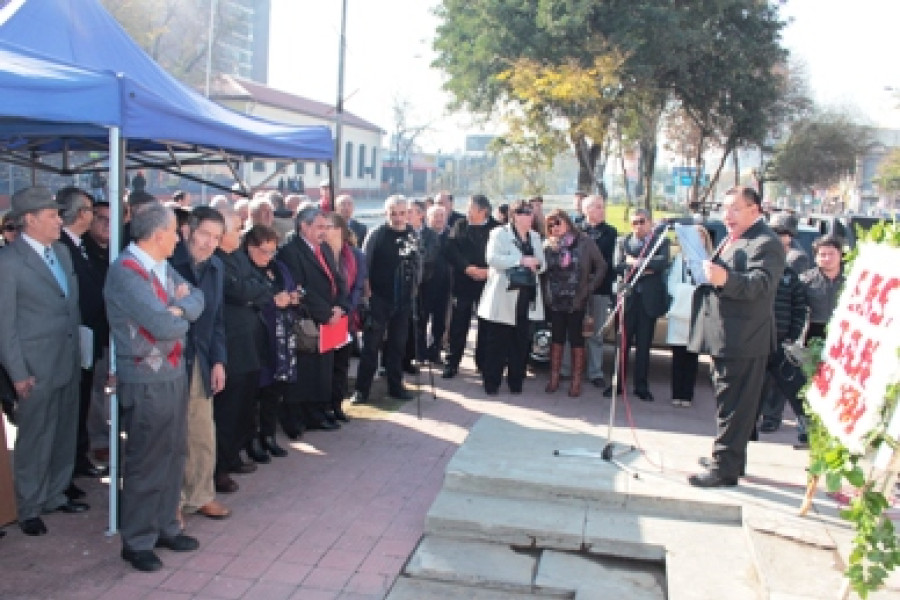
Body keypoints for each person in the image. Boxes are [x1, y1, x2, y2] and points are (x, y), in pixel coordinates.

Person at [104, 202, 205, 571]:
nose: (180, 238)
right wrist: (179, 312)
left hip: (172, 372)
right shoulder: (127, 272)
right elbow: (164, 326)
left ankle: (165, 526)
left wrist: (179, 310)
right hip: (146, 378)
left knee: (173, 454)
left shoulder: (159, 265)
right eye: (175, 232)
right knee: (146, 460)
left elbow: (198, 299)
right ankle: (137, 540)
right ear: (159, 235)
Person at [0, 187, 85, 537]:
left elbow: (70, 308)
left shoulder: (62, 253)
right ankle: (29, 506)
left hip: (66, 359)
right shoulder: (8, 262)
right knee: (35, 437)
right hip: (34, 367)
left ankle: (55, 493)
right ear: (30, 220)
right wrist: (18, 373)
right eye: (52, 215)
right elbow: (5, 326)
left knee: (64, 430)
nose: (59, 220)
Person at [688, 186, 785, 488]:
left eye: (735, 209)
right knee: (727, 402)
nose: (727, 215)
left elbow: (761, 284)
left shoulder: (766, 242)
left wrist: (725, 278)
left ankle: (724, 469)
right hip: (726, 334)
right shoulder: (735, 237)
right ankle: (730, 459)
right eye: (724, 208)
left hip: (744, 338)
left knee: (735, 406)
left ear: (755, 210)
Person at [170, 207, 231, 518]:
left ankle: (201, 494)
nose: (210, 243)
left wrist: (219, 361)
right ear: (188, 231)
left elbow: (217, 319)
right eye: (205, 234)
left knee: (202, 432)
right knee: (173, 434)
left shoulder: (216, 267)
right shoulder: (168, 262)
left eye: (216, 238)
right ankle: (173, 502)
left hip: (202, 358)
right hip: (169, 358)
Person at [213, 211, 277, 494]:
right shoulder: (216, 261)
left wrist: (252, 292)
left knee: (245, 405)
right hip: (230, 344)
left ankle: (234, 455)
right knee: (227, 409)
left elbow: (262, 285)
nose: (240, 235)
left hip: (251, 341)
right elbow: (238, 291)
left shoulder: (238, 257)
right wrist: (253, 292)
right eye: (236, 230)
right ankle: (220, 468)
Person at [277, 205, 349, 429]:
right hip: (308, 320)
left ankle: (319, 411)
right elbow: (301, 288)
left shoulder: (324, 248)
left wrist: (340, 306)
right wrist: (326, 313)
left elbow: (337, 278)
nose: (324, 231)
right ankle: (304, 416)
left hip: (331, 318)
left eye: (326, 227)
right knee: (307, 371)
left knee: (324, 370)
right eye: (319, 227)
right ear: (304, 227)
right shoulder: (290, 251)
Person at [57, 187, 109, 487]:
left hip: (89, 338)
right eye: (91, 211)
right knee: (73, 406)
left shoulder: (80, 246)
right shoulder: (63, 246)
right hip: (74, 337)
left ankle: (78, 460)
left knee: (83, 402)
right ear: (81, 214)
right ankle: (71, 467)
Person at [351, 196, 417, 404]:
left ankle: (395, 387)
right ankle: (361, 390)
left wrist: (414, 290)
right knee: (371, 346)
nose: (397, 218)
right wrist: (367, 293)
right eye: (393, 213)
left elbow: (418, 263)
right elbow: (364, 265)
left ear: (407, 213)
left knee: (398, 346)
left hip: (403, 299)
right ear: (386, 213)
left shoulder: (412, 234)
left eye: (401, 213)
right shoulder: (377, 234)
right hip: (378, 298)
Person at [477, 200, 546, 395]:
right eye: (525, 213)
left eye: (531, 213)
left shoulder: (534, 237)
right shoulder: (499, 233)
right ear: (515, 216)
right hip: (504, 294)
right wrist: (520, 260)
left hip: (526, 296)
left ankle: (516, 382)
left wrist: (537, 264)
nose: (530, 216)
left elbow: (543, 264)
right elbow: (492, 259)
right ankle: (492, 383)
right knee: (497, 342)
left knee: (520, 342)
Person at [246, 225, 300, 453]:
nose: (268, 256)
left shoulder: (279, 267)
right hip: (258, 337)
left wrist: (295, 297)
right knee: (254, 392)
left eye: (272, 251)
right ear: (250, 248)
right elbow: (247, 299)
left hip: (281, 338)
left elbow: (293, 287)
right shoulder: (246, 269)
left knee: (275, 389)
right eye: (263, 251)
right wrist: (272, 301)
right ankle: (251, 440)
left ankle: (268, 436)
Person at [542, 209, 606, 397]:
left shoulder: (585, 241)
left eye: (558, 223)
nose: (554, 228)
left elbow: (601, 265)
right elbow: (542, 271)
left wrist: (590, 287)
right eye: (550, 225)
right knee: (557, 338)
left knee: (577, 339)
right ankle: (554, 377)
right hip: (555, 299)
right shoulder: (548, 245)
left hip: (577, 299)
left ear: (567, 222)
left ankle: (576, 381)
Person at [608, 208, 670, 401]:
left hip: (648, 303)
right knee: (622, 345)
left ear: (650, 222)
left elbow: (662, 262)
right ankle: (618, 385)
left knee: (644, 347)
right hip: (628, 301)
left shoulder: (661, 241)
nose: (638, 226)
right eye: (634, 222)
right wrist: (646, 268)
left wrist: (636, 262)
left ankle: (641, 386)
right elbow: (617, 265)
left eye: (642, 221)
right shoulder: (622, 241)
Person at [756, 223, 809, 440]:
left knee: (784, 383)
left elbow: (799, 308)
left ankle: (772, 419)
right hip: (755, 341)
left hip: (780, 340)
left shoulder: (790, 276)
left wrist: (792, 336)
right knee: (753, 385)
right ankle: (748, 424)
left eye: (787, 245)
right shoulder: (755, 270)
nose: (784, 249)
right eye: (780, 244)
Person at [442, 194, 499, 379]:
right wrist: (467, 268)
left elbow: (502, 253)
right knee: (458, 325)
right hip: (463, 282)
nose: (467, 211)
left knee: (486, 326)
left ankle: (483, 364)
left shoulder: (497, 229)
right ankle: (452, 363)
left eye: (471, 208)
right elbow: (451, 249)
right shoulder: (460, 225)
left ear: (483, 211)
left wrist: (488, 271)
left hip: (487, 284)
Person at [568, 194, 617, 388]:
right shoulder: (575, 230)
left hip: (600, 288)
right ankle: (567, 368)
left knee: (596, 333)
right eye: (597, 207)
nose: (602, 210)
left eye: (602, 206)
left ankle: (595, 372)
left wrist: (593, 278)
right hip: (575, 289)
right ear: (586, 210)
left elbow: (607, 260)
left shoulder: (610, 232)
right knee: (572, 330)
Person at [666, 224, 714, 407]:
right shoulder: (680, 259)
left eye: (702, 237)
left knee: (692, 357)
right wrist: (687, 292)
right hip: (681, 311)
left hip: (698, 313)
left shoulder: (709, 260)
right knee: (678, 356)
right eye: (695, 236)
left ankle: (687, 395)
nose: (698, 240)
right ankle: (676, 394)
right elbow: (671, 284)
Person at [325, 213, 367, 419]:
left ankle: (337, 405)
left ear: (340, 230)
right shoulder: (319, 253)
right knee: (326, 365)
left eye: (329, 227)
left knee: (342, 364)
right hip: (325, 317)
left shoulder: (356, 255)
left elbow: (358, 286)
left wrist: (345, 308)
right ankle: (324, 407)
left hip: (346, 317)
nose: (324, 231)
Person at [404, 199, 440, 373]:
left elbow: (430, 256)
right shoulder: (403, 232)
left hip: (425, 284)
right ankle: (406, 355)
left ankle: (418, 354)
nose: (407, 215)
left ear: (421, 215)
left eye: (410, 212)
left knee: (421, 319)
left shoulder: (431, 235)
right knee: (406, 322)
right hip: (405, 285)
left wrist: (413, 259)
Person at [801, 234, 844, 342]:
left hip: (845, 331)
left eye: (831, 254)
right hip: (814, 332)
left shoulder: (852, 278)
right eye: (823, 255)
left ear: (840, 255)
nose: (827, 258)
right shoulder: (805, 280)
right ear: (816, 258)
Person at [422, 204, 452, 363]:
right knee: (422, 319)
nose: (439, 219)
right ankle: (420, 352)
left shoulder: (451, 235)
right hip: (425, 285)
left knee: (440, 321)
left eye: (442, 215)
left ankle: (435, 351)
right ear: (428, 218)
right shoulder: (423, 235)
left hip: (444, 284)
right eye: (436, 216)